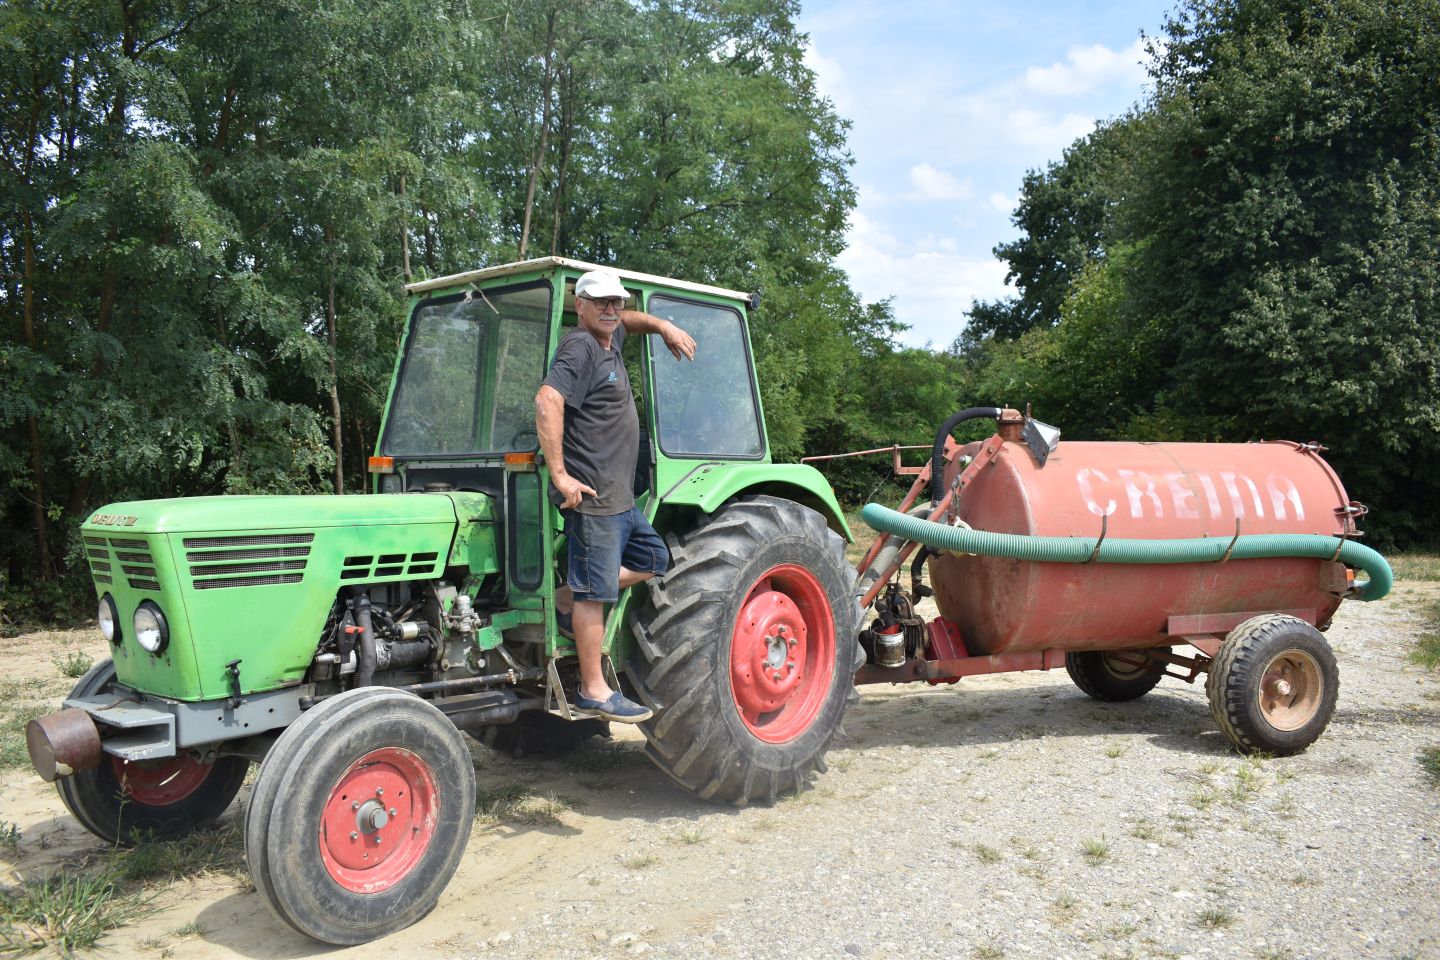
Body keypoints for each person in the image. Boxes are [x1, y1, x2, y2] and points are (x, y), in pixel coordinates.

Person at [534, 268, 696, 722]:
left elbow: (630, 322)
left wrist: (662, 325)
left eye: (616, 302)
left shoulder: (611, 335)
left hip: (621, 499)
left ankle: (568, 595)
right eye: (600, 302)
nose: (610, 309)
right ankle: (593, 689)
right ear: (579, 304)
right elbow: (548, 400)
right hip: (594, 498)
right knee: (595, 593)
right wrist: (562, 476)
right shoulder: (581, 345)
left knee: (655, 559)